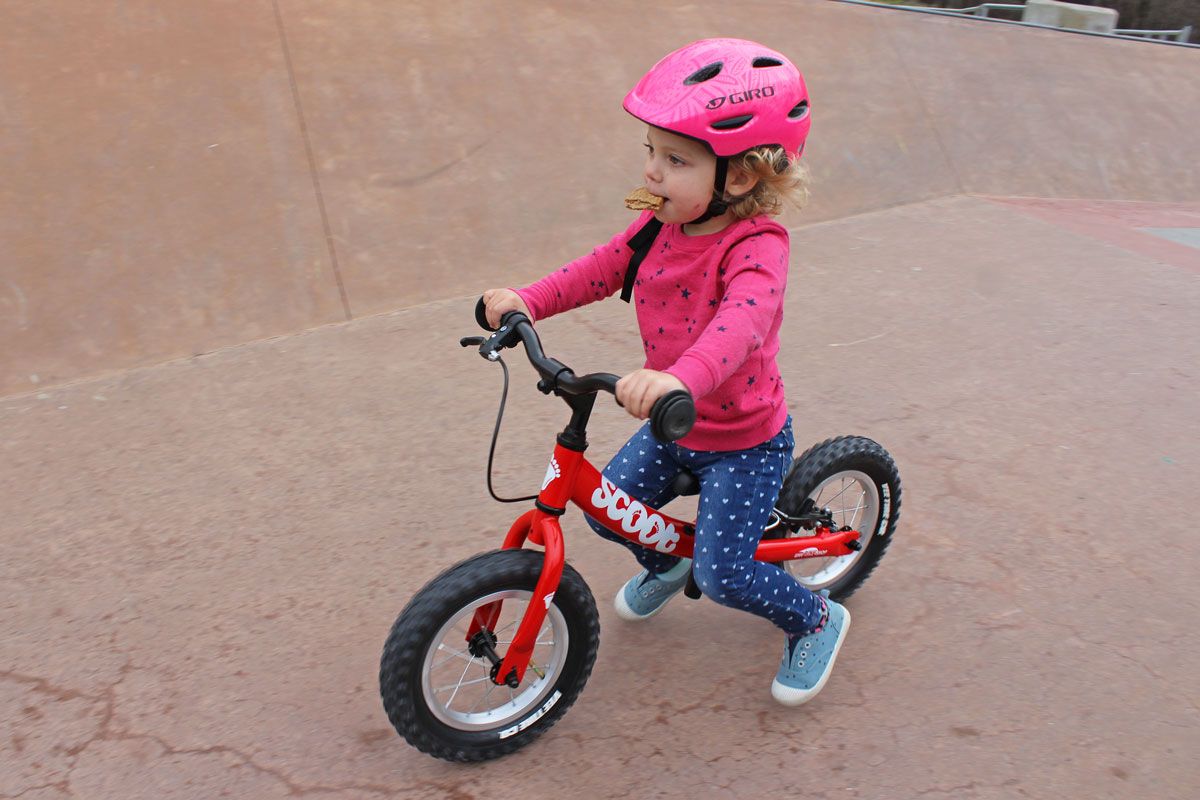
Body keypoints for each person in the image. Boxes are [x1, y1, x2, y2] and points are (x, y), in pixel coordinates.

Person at [482, 38, 848, 706]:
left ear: (740, 177)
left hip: (743, 441)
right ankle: (667, 563)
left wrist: (682, 376)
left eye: (676, 160)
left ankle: (816, 619)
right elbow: (599, 269)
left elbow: (742, 322)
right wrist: (527, 300)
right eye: (651, 151)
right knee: (608, 514)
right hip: (672, 423)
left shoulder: (758, 246)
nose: (652, 172)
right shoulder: (657, 226)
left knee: (727, 574)